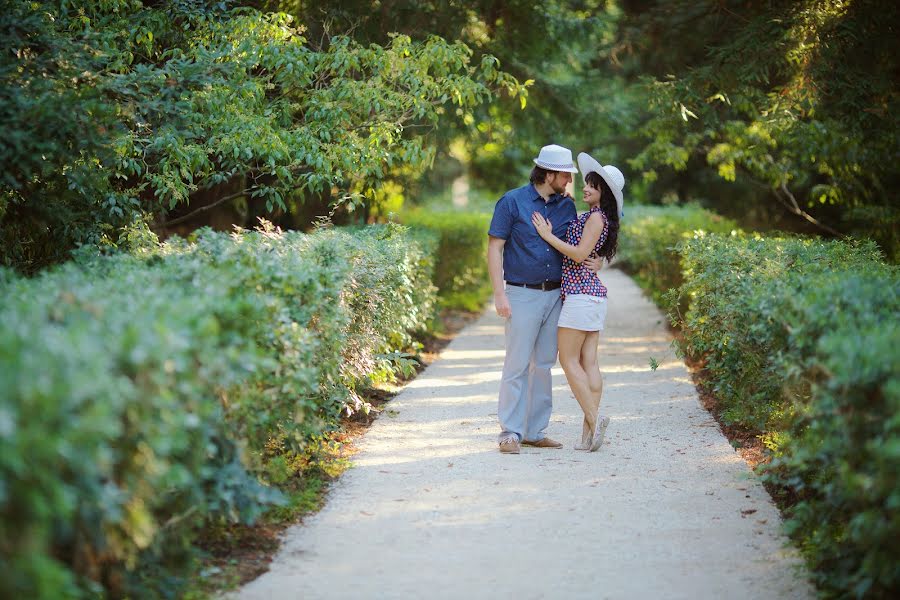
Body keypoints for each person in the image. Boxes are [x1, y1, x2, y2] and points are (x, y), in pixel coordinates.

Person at [487, 144, 602, 455]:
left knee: (544, 364)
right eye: (565, 174)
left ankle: (535, 431)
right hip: (522, 293)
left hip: (557, 295)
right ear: (549, 173)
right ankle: (510, 432)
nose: (569, 180)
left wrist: (599, 260)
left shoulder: (566, 206)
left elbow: (585, 240)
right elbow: (495, 247)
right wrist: (499, 293)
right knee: (517, 364)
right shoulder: (512, 202)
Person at [530, 152, 624, 452]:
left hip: (581, 295)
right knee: (589, 362)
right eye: (585, 183)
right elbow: (591, 255)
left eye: (592, 186)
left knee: (568, 360)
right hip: (591, 295)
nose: (585, 189)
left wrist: (547, 235)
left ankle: (595, 420)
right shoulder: (596, 216)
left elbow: (580, 254)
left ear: (604, 193)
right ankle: (588, 435)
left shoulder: (595, 217)